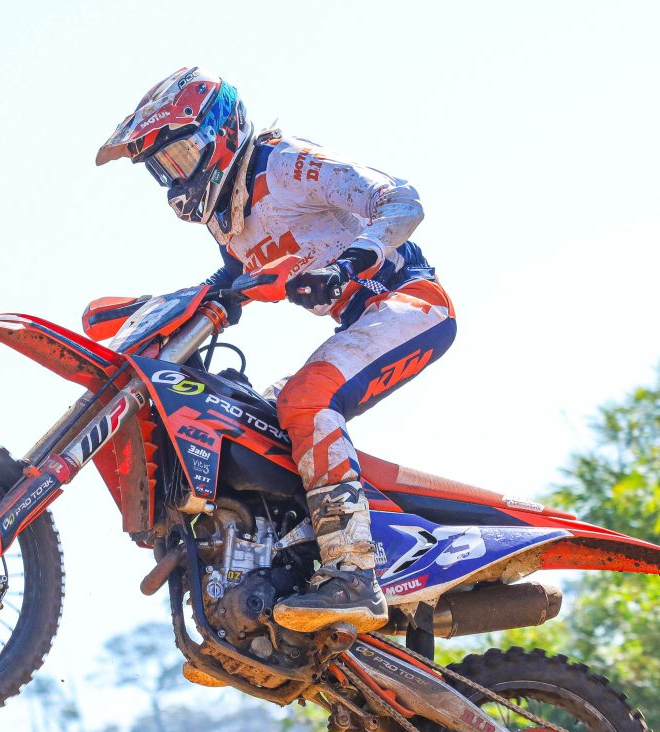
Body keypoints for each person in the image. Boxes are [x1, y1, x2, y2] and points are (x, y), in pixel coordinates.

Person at [96, 67, 457, 634]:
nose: (177, 174)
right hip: (360, 323)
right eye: (164, 166)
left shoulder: (284, 164)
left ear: (220, 132)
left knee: (305, 401)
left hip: (410, 303)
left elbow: (400, 199)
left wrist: (349, 264)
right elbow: (232, 279)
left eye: (183, 154)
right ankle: (285, 568)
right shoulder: (229, 218)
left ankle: (354, 573)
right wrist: (166, 305)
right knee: (251, 422)